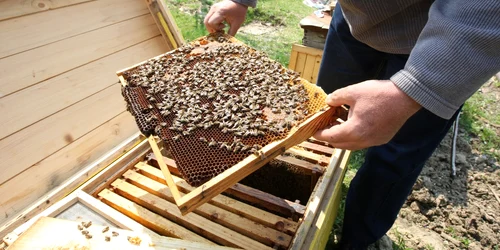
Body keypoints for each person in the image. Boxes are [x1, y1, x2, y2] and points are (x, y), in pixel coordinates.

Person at [204, 0, 500, 248]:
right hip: (353, 18)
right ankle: (298, 190)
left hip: (437, 38)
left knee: (395, 154)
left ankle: (360, 237)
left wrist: (417, 86)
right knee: (319, 115)